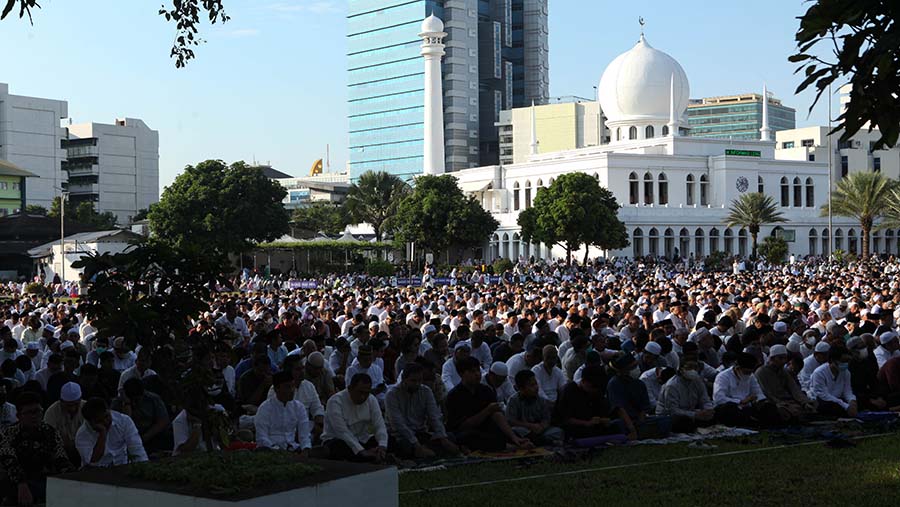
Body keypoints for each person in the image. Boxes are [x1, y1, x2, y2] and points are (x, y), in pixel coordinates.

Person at [0, 392, 74, 506]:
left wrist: (72, 478)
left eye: (38, 411)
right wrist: (21, 483)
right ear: (19, 415)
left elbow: (61, 457)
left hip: (44, 481)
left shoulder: (51, 432)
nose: (34, 416)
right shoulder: (8, 433)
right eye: (29, 412)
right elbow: (9, 460)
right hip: (15, 481)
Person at [445, 356, 533, 452]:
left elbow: (497, 415)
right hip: (465, 431)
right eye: (472, 371)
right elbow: (463, 426)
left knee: (504, 430)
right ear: (461, 374)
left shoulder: (485, 390)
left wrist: (513, 437)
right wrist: (487, 411)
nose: (477, 374)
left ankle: (515, 442)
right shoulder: (454, 396)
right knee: (469, 436)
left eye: (478, 370)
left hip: (487, 428)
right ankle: (509, 447)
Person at [384, 362, 458, 459]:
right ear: (404, 379)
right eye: (413, 381)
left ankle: (426, 451)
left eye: (419, 380)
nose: (417, 384)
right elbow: (398, 424)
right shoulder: (392, 394)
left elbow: (434, 417)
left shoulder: (426, 391)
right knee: (404, 446)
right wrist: (416, 445)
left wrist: (443, 438)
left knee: (450, 437)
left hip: (420, 433)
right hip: (400, 436)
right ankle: (425, 451)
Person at [554, 364, 634, 440]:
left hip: (594, 425)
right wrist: (586, 423)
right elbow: (565, 419)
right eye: (592, 387)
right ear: (584, 381)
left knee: (618, 424)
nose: (593, 390)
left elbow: (609, 409)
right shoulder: (569, 391)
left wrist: (603, 420)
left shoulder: (596, 392)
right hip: (577, 426)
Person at [322, 374, 388, 462]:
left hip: (362, 439)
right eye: (360, 392)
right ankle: (369, 458)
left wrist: (382, 446)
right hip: (338, 440)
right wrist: (361, 451)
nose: (363, 397)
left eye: (366, 393)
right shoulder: (335, 401)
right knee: (339, 447)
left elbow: (379, 424)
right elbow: (342, 432)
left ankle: (375, 456)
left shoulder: (371, 400)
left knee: (389, 440)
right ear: (350, 389)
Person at [606, 353, 671, 438]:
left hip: (639, 420)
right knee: (618, 425)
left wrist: (640, 422)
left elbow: (644, 408)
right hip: (624, 420)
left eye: (636, 366)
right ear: (623, 370)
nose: (636, 369)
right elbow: (620, 409)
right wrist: (631, 428)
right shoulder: (614, 384)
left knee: (665, 421)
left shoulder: (639, 383)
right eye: (632, 367)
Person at [712, 352, 782, 428]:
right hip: (731, 407)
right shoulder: (723, 377)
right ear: (737, 368)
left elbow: (758, 392)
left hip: (747, 407)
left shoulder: (750, 376)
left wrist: (759, 400)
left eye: (750, 372)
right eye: (746, 372)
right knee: (729, 409)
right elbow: (719, 398)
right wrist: (741, 401)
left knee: (769, 407)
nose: (748, 374)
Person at [75, 397, 148, 467]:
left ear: (109, 410)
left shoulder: (124, 421)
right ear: (90, 422)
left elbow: (137, 451)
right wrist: (102, 434)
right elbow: (93, 461)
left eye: (106, 416)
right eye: (100, 421)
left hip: (121, 466)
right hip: (95, 471)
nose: (106, 422)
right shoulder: (82, 435)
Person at [267, 355, 325, 440]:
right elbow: (277, 417)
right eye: (298, 369)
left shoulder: (309, 386)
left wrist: (319, 422)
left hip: (307, 428)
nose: (302, 372)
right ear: (288, 371)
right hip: (283, 431)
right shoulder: (277, 389)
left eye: (302, 368)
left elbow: (317, 408)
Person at [254, 371, 312, 454]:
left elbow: (305, 435)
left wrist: (305, 449)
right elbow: (262, 437)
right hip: (271, 451)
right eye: (287, 387)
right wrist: (276, 449)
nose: (292, 390)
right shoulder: (265, 408)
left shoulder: (299, 407)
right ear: (276, 389)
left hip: (293, 448)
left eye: (293, 386)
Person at [754, 345, 816, 422]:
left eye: (785, 358)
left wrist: (805, 402)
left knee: (810, 405)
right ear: (772, 358)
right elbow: (767, 394)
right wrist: (784, 405)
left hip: (788, 401)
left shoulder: (784, 372)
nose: (783, 361)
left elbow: (794, 389)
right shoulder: (761, 372)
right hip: (773, 403)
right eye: (780, 358)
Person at [111, 378, 171, 453]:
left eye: (137, 400)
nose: (134, 403)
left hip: (151, 435)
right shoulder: (117, 403)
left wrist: (145, 437)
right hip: (128, 438)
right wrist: (127, 404)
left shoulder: (153, 399)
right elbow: (123, 425)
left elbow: (163, 421)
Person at [505, 370, 563, 445]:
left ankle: (537, 441)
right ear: (521, 388)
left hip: (540, 431)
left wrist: (541, 427)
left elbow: (546, 419)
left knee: (558, 432)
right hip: (524, 430)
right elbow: (510, 421)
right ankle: (544, 441)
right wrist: (530, 426)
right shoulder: (513, 400)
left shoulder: (541, 400)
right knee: (515, 430)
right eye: (531, 385)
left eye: (536, 384)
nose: (536, 387)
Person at [656, 360, 715, 433]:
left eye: (695, 368)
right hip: (669, 417)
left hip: (691, 412)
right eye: (690, 368)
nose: (693, 370)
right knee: (683, 421)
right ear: (681, 370)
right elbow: (673, 410)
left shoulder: (698, 381)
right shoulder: (672, 385)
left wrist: (708, 410)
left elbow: (705, 399)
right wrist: (695, 414)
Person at [43, 382, 84, 465]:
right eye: (68, 405)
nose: (72, 409)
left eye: (76, 404)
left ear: (80, 399)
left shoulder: (87, 408)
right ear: (61, 401)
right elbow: (48, 438)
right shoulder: (52, 412)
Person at [810, 346, 858, 418]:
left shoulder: (846, 372)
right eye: (843, 361)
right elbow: (824, 395)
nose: (846, 363)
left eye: (848, 361)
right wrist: (846, 406)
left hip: (838, 400)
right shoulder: (819, 373)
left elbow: (847, 390)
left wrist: (852, 401)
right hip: (824, 401)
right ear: (833, 360)